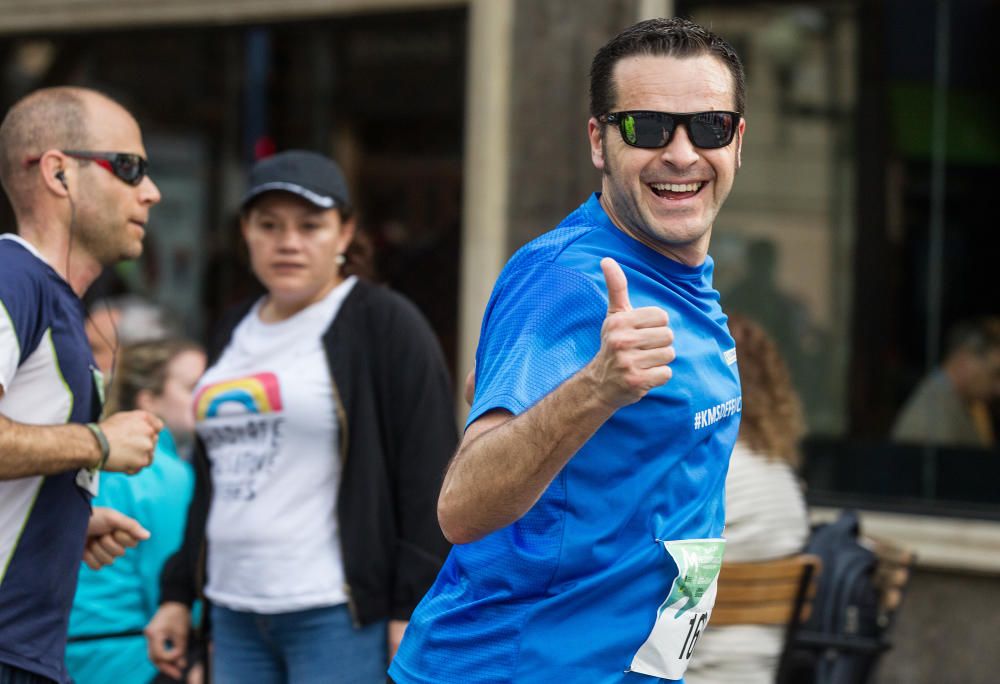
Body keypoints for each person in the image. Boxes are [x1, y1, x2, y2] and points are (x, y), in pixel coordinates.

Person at [390, 17, 746, 684]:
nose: (680, 154)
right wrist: (596, 388)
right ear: (598, 140)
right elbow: (461, 507)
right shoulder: (569, 279)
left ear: (736, 142)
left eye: (708, 127)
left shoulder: (680, 275)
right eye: (645, 127)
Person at [145, 150, 456, 683]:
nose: (288, 242)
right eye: (269, 225)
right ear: (246, 232)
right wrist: (179, 594)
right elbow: (211, 476)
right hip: (233, 609)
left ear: (344, 233)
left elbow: (428, 470)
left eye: (310, 226)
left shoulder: (384, 323)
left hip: (336, 614)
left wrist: (413, 605)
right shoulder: (233, 328)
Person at [0, 86, 164, 683]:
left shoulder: (49, 295)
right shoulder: (11, 276)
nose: (152, 191)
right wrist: (98, 443)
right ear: (58, 172)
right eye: (129, 168)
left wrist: (63, 518)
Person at [66, 339, 206, 684]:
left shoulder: (91, 458)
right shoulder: (162, 472)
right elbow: (173, 581)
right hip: (133, 658)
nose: (207, 398)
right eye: (193, 387)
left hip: (67, 652)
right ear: (148, 400)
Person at [685, 313, 809, 684]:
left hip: (688, 670)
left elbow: (671, 591)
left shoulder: (707, 472)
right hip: (763, 670)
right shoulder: (785, 480)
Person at [892, 316, 1000, 448]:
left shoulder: (973, 404)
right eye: (995, 374)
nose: (998, 388)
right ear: (964, 361)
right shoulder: (931, 416)